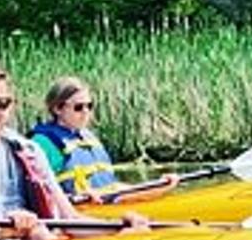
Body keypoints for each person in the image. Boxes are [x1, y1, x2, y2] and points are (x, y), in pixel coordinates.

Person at [0, 61, 143, 240]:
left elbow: (68, 218)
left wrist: (115, 227)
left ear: (11, 105)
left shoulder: (28, 150)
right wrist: (0, 232)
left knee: (42, 234)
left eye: (0, 103)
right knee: (38, 235)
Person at [26, 76, 172, 206]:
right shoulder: (43, 143)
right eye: (78, 107)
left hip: (109, 205)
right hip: (79, 210)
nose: (86, 112)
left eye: (89, 106)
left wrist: (159, 186)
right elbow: (35, 194)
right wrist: (72, 198)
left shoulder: (88, 138)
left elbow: (111, 186)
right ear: (57, 108)